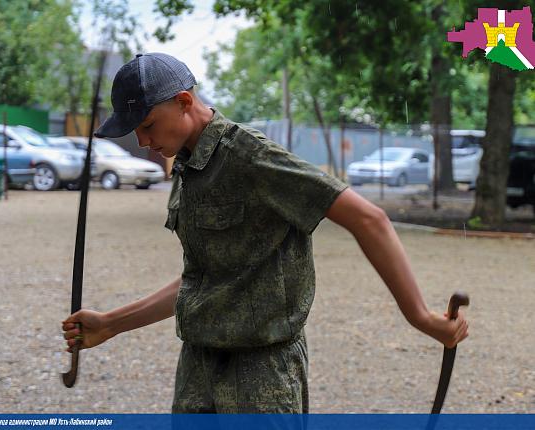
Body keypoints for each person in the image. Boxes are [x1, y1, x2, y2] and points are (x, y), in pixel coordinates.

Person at [61, 52, 469, 414]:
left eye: (147, 125)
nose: (143, 141)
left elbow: (369, 219)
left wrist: (420, 317)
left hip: (262, 376)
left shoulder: (251, 157)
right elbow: (204, 280)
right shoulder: (187, 168)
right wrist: (113, 323)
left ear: (184, 102)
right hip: (198, 365)